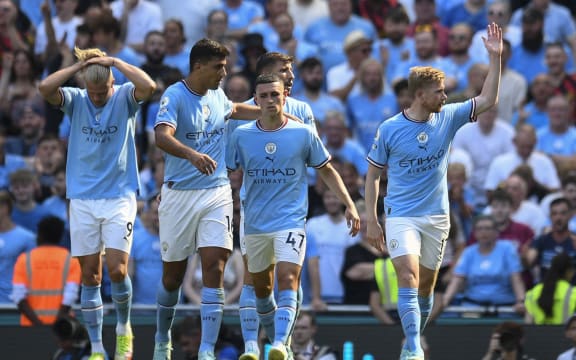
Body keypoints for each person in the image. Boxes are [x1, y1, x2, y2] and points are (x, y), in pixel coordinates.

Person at [364, 22, 503, 360]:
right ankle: (412, 346)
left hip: (437, 216)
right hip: (401, 215)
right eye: (439, 91)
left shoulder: (449, 117)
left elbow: (488, 98)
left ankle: (413, 337)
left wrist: (495, 58)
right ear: (420, 95)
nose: (445, 96)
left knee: (425, 287)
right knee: (407, 276)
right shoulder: (391, 129)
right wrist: (372, 218)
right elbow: (372, 176)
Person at [226, 73, 360, 360]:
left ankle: (279, 343)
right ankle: (251, 346)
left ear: (284, 97)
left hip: (290, 221)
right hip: (254, 223)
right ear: (256, 100)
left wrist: (349, 203)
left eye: (275, 95)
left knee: (288, 279)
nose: (270, 100)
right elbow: (226, 174)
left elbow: (327, 170)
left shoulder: (302, 133)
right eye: (264, 96)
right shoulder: (241, 135)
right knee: (256, 286)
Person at [38, 46, 156, 359]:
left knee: (117, 269)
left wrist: (116, 61)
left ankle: (123, 328)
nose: (97, 97)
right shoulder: (76, 99)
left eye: (102, 91)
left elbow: (149, 86)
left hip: (119, 194)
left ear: (112, 82)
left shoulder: (125, 96)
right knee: (90, 275)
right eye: (92, 91)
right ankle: (97, 348)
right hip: (82, 198)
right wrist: (78, 69)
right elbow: (45, 88)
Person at [152, 38, 264, 360]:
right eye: (219, 67)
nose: (224, 72)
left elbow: (236, 109)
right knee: (172, 277)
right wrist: (191, 155)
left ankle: (206, 349)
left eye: (225, 66)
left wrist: (268, 111)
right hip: (178, 194)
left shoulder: (217, 95)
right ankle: (162, 338)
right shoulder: (174, 95)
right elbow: (162, 136)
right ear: (198, 66)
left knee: (214, 266)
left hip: (216, 192)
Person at [11, 216, 80, 326]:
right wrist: (56, 323)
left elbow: (19, 297)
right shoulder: (71, 260)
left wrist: (39, 325)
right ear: (60, 236)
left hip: (30, 328)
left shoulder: (24, 260)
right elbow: (70, 296)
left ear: (40, 234)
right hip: (62, 328)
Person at [525, 252, 576, 325]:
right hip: (565, 336)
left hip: (538, 336)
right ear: (569, 271)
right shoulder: (573, 293)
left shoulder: (532, 293)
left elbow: (528, 325)